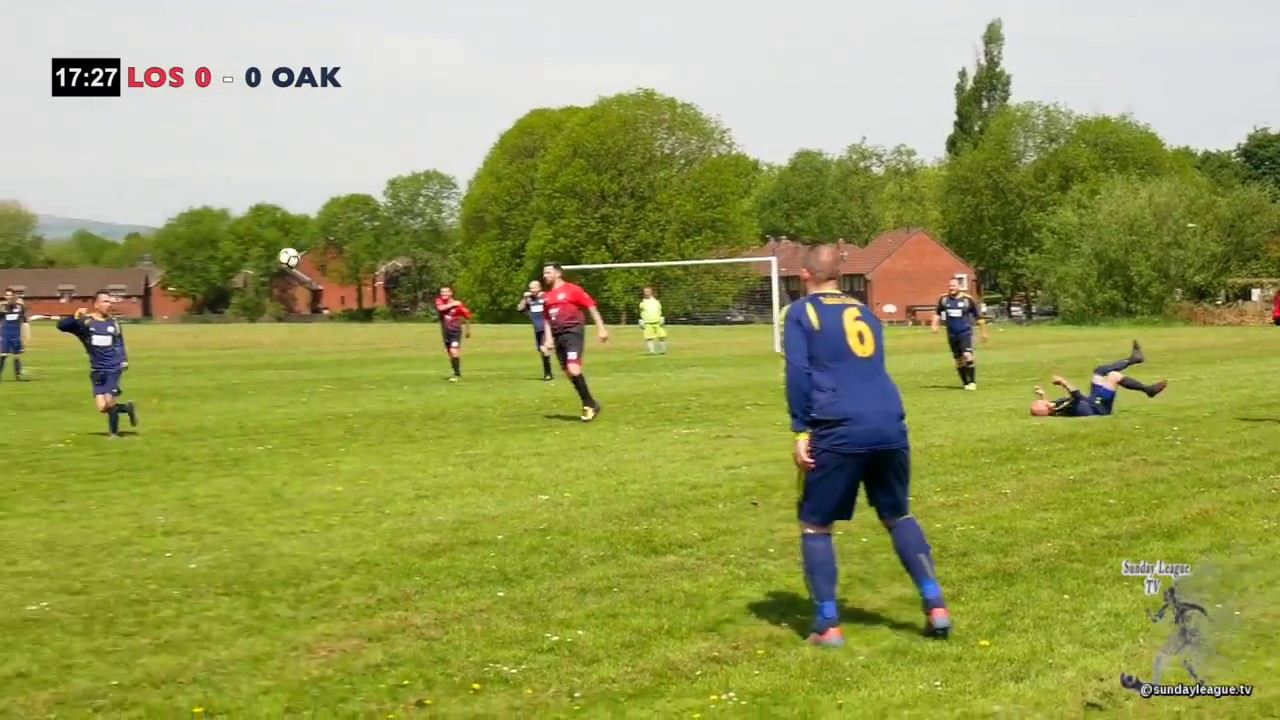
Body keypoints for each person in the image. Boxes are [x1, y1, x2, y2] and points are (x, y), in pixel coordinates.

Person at [784, 245, 950, 648]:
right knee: (897, 514)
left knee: (815, 523)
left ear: (804, 276)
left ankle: (827, 625)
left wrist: (801, 430)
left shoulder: (801, 313)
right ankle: (936, 606)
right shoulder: (865, 312)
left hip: (838, 425)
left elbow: (798, 372)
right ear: (839, 276)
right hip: (889, 420)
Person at [56, 290, 138, 438]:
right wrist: (75, 316)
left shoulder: (114, 323)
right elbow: (61, 326)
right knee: (102, 407)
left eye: (110, 301)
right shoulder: (86, 322)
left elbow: (119, 343)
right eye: (106, 301)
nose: (109, 304)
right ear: (96, 304)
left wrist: (123, 359)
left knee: (110, 401)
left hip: (113, 367)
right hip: (97, 368)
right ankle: (126, 408)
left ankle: (113, 434)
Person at [540, 263, 609, 422]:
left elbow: (591, 306)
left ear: (558, 273)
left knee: (574, 368)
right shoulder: (547, 297)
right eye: (544, 273)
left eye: (548, 272)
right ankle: (591, 403)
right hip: (558, 336)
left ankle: (588, 404)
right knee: (568, 372)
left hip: (573, 332)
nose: (545, 276)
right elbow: (546, 320)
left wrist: (601, 329)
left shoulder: (572, 289)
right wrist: (548, 339)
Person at [1030, 341, 1166, 417]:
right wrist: (1063, 382)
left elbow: (1049, 407)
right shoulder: (1060, 408)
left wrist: (1042, 395)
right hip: (1099, 407)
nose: (1045, 401)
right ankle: (1148, 390)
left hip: (1093, 401)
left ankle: (1134, 359)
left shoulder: (1054, 407)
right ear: (1047, 408)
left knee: (1099, 372)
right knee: (1114, 376)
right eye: (1042, 402)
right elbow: (1077, 396)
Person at [931, 279, 987, 389]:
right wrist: (935, 325)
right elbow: (938, 313)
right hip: (952, 334)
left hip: (965, 332)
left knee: (967, 355)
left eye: (954, 285)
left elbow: (978, 317)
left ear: (959, 286)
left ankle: (972, 382)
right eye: (950, 286)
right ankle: (965, 383)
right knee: (958, 360)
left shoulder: (967, 300)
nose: (951, 288)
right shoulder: (944, 299)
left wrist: (984, 332)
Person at [516, 280, 554, 381]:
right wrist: (524, 298)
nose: (531, 290)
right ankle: (548, 373)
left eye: (533, 288)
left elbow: (552, 305)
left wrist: (544, 296)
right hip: (537, 329)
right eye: (530, 288)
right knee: (542, 350)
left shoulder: (544, 297)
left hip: (546, 328)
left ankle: (548, 374)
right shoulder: (529, 300)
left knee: (544, 349)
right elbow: (519, 309)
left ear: (539, 288)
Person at [434, 286, 472, 382]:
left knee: (454, 350)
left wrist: (468, 330)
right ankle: (456, 371)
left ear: (451, 293)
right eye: (442, 292)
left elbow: (467, 316)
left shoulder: (458, 306)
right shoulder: (439, 301)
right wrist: (453, 304)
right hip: (445, 331)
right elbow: (440, 308)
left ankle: (455, 373)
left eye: (446, 292)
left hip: (455, 331)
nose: (443, 294)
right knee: (450, 353)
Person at [1, 289, 31, 381]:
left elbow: (25, 321)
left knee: (16, 355)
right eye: (7, 295)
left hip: (16, 334)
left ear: (14, 296)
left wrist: (26, 335)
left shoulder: (19, 307)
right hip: (5, 334)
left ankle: (18, 377)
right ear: (5, 297)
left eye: (11, 295)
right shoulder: (2, 307)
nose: (9, 297)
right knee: (3, 355)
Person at [638, 286, 667, 355]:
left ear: (651, 292)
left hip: (657, 322)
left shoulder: (656, 302)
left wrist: (661, 318)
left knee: (662, 336)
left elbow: (660, 310)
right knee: (649, 337)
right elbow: (642, 313)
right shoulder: (642, 303)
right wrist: (642, 321)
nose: (646, 293)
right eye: (645, 292)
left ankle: (663, 350)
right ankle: (652, 351)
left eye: (648, 291)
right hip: (648, 323)